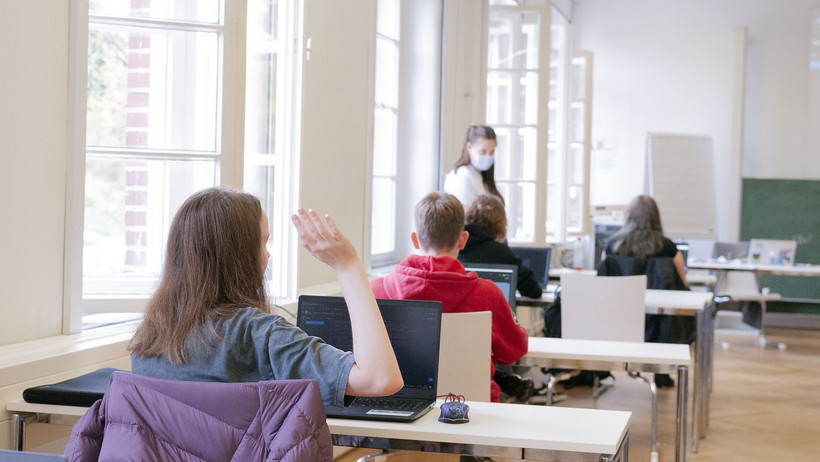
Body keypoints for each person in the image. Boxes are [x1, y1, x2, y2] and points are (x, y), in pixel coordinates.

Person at [129, 187, 403, 407]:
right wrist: (348, 266)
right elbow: (380, 379)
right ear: (237, 255)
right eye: (262, 243)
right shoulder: (259, 334)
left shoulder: (150, 338)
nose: (267, 255)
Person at [370, 191, 529, 403]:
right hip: (472, 410)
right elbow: (514, 351)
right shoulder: (488, 294)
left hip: (397, 405)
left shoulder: (374, 292)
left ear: (415, 240)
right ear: (463, 240)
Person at [601, 194, 689, 388]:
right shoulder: (668, 247)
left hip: (617, 323)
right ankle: (662, 373)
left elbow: (602, 285)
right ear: (656, 217)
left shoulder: (612, 246)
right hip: (659, 330)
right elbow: (682, 284)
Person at [458, 194, 543, 299]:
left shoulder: (454, 246)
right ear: (500, 222)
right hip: (492, 313)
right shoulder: (500, 252)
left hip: (457, 312)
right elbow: (533, 291)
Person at [443, 125, 504, 207]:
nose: (488, 156)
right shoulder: (462, 178)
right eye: (483, 151)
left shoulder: (483, 177)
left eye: (491, 152)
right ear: (469, 147)